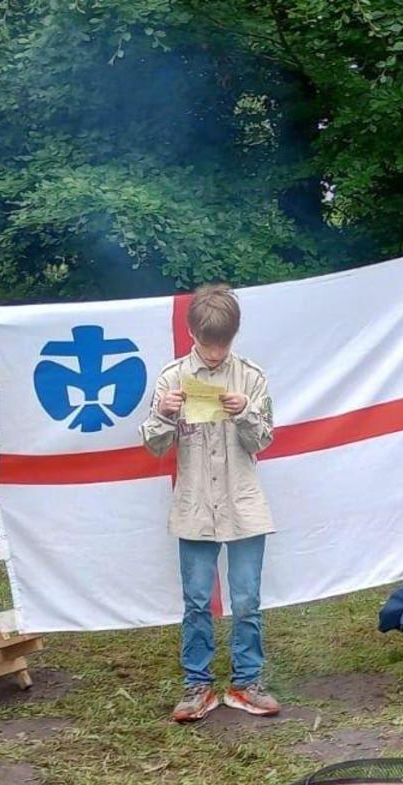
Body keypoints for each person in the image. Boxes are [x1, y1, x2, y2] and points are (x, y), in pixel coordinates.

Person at [141, 284, 282, 722]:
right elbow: (153, 445)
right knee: (197, 600)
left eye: (223, 344)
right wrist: (164, 413)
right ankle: (197, 687)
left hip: (243, 505)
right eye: (208, 344)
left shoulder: (252, 377)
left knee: (247, 601)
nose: (216, 353)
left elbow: (263, 440)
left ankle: (247, 683)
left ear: (234, 335)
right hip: (195, 506)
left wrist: (245, 412)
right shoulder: (170, 378)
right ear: (191, 332)